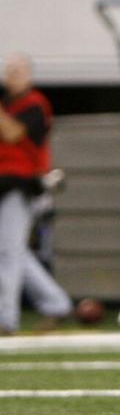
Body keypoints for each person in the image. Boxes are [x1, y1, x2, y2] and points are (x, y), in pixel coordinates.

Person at [0, 53, 73, 334]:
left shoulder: (34, 104)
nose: (11, 76)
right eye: (9, 71)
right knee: (13, 251)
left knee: (9, 253)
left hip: (22, 185)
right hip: (3, 184)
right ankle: (56, 303)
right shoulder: (9, 104)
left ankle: (6, 318)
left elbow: (14, 134)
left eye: (17, 71)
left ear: (29, 75)